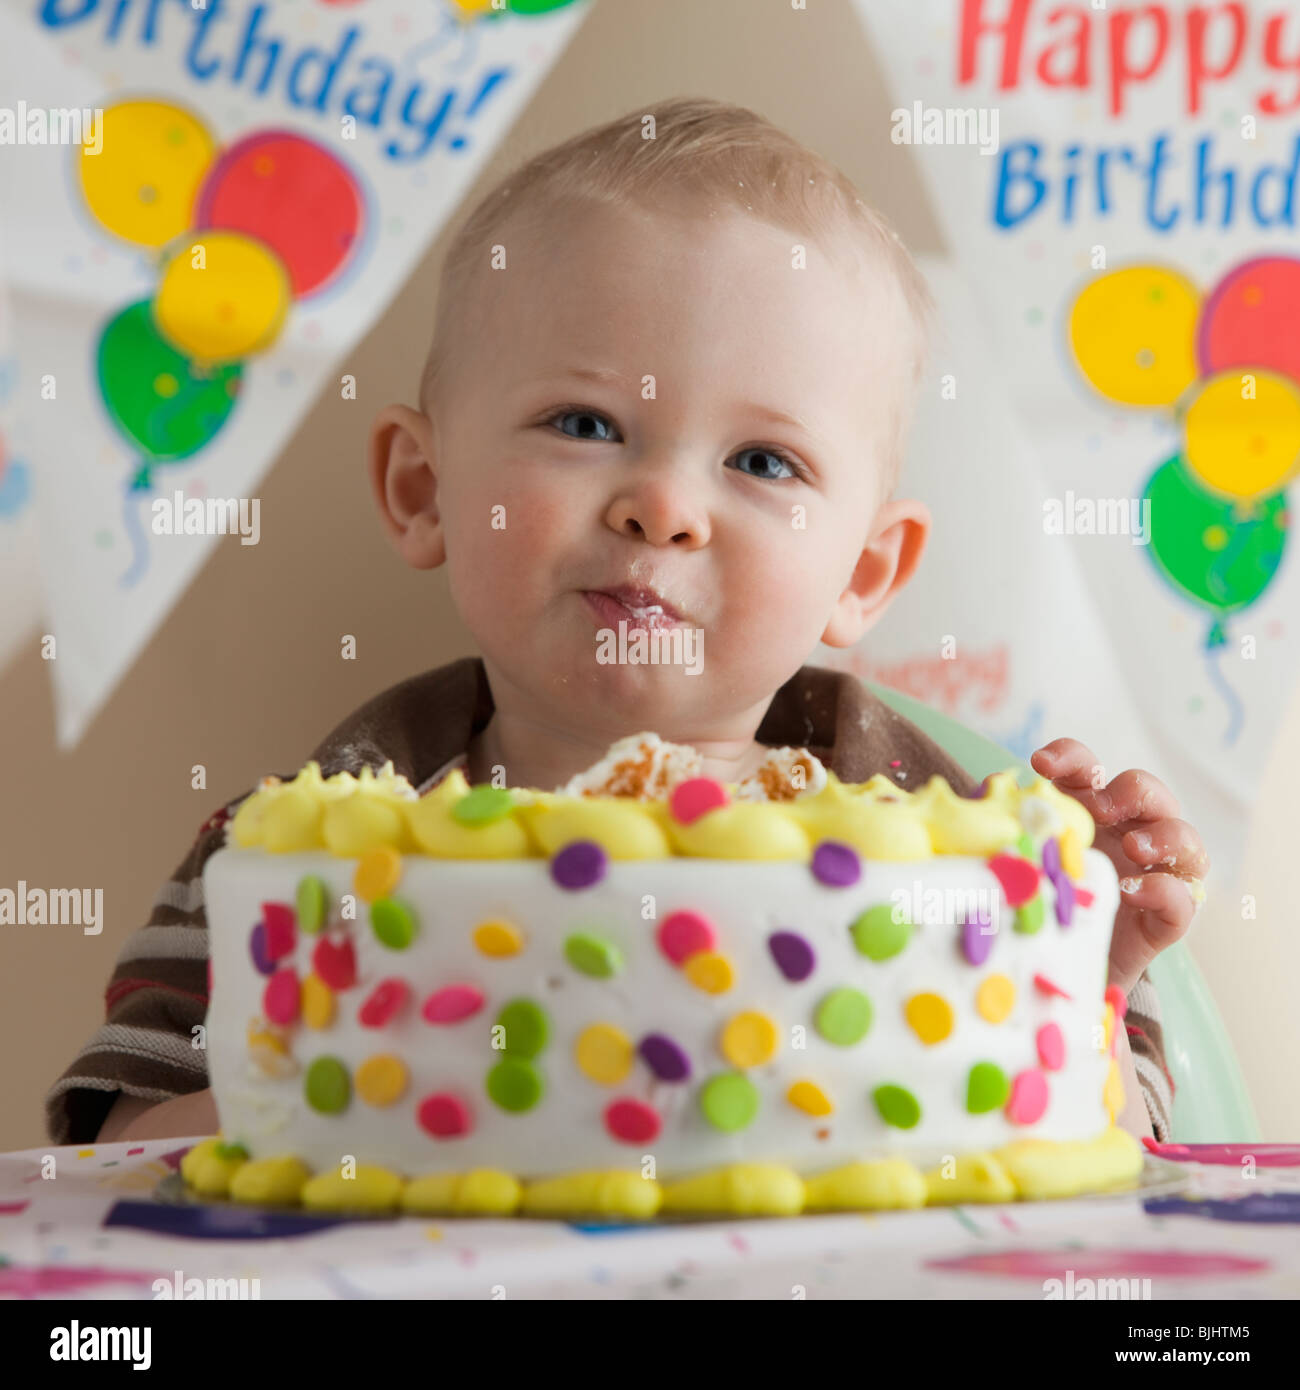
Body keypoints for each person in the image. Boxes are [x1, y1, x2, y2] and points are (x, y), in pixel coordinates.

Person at [47, 98, 1206, 1148]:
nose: (662, 506)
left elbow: (1124, 1153)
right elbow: (115, 1153)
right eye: (586, 422)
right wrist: (360, 1082)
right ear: (421, 486)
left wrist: (1071, 974)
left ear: (862, 570)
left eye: (761, 459)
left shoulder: (947, 837)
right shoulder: (286, 854)